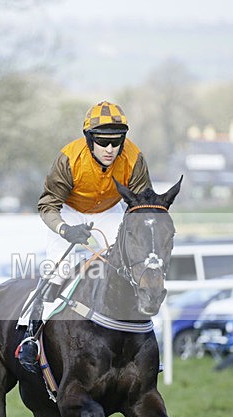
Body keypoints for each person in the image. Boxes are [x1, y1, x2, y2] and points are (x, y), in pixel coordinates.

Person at [18, 101, 154, 372]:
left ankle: (144, 340)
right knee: (58, 268)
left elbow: (142, 203)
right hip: (68, 209)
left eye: (116, 142)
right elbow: (48, 205)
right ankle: (30, 335)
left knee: (130, 267)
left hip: (109, 211)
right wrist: (65, 230)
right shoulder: (69, 158)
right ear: (89, 139)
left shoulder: (134, 158)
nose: (110, 149)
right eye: (102, 142)